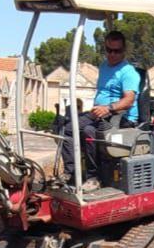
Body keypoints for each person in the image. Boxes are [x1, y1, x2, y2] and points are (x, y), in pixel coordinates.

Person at [59, 30, 140, 191]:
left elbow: (129, 100)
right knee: (66, 127)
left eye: (116, 51)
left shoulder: (128, 72)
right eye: (109, 50)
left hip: (121, 117)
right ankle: (71, 173)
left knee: (89, 132)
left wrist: (108, 108)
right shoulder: (104, 66)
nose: (112, 54)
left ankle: (92, 177)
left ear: (123, 51)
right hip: (100, 113)